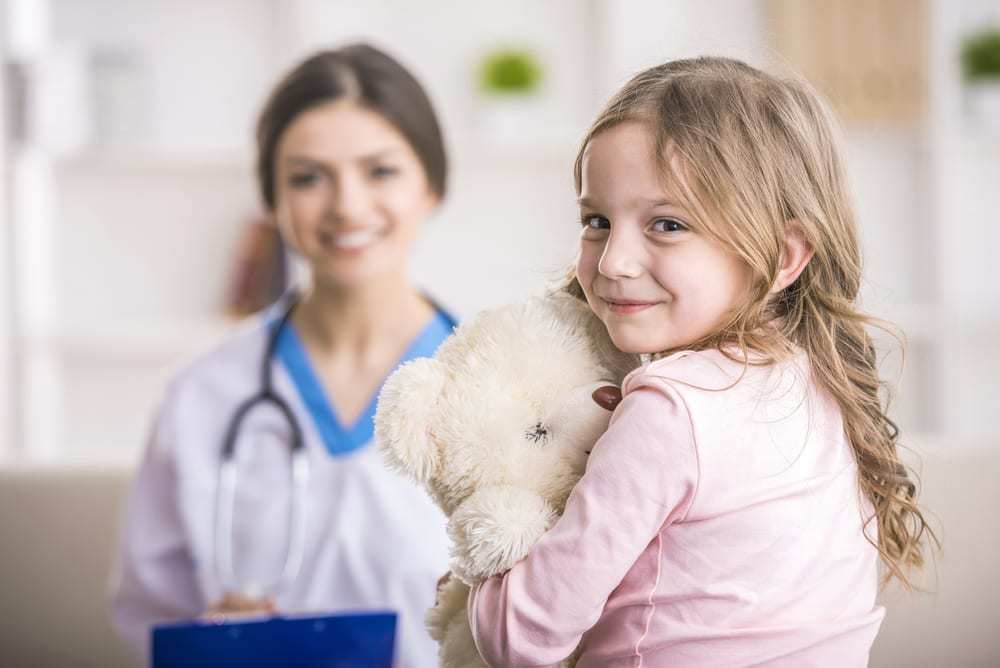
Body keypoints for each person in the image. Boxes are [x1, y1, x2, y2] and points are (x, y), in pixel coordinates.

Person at [468, 56, 935, 666]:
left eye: (666, 223)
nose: (612, 262)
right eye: (596, 221)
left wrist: (474, 589)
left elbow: (522, 637)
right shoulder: (819, 377)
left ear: (785, 253)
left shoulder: (671, 409)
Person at [111, 43, 455, 667]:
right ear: (272, 199)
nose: (347, 205)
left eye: (380, 171)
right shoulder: (204, 395)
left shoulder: (500, 388)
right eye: (308, 177)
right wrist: (210, 639)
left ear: (431, 185)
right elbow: (148, 613)